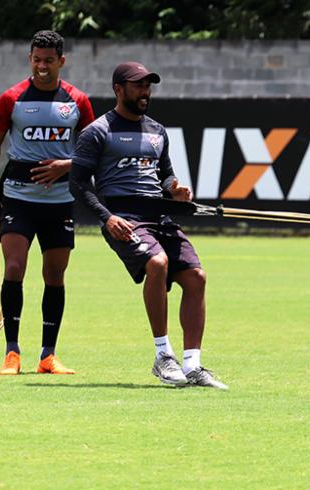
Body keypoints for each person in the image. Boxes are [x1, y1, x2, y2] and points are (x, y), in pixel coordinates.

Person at [69, 61, 228, 389]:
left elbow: (165, 173)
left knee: (196, 277)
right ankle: (162, 357)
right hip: (123, 219)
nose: (146, 92)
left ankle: (193, 365)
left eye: (148, 86)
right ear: (119, 89)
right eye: (138, 85)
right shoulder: (98, 131)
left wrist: (175, 188)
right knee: (157, 264)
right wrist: (107, 218)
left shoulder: (157, 130)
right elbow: (79, 183)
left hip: (159, 216)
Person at [0, 30, 94, 375]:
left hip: (60, 202)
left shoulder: (77, 101)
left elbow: (94, 151)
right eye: (36, 59)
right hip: (17, 198)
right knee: (15, 268)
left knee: (54, 275)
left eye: (49, 60)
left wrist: (67, 165)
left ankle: (48, 355)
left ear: (61, 61)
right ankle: (12, 353)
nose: (42, 66)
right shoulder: (11, 99)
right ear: (29, 59)